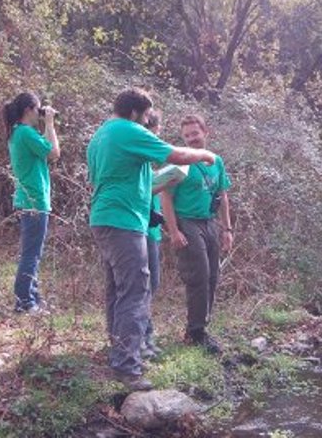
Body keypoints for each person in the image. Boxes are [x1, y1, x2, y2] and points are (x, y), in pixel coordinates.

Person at [87, 88, 217, 391]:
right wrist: (206, 155)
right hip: (123, 221)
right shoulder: (127, 129)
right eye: (146, 116)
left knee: (118, 290)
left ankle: (119, 351)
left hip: (104, 217)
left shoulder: (101, 134)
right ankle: (127, 367)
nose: (147, 122)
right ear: (135, 112)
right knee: (135, 290)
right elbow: (177, 154)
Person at [161, 114, 233, 355]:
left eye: (195, 133)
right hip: (187, 221)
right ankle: (195, 331)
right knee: (198, 274)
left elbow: (222, 195)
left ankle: (202, 327)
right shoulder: (180, 161)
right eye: (187, 135)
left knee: (213, 275)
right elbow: (165, 196)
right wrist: (174, 231)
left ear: (205, 132)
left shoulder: (216, 161)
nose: (191, 138)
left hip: (209, 222)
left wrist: (227, 229)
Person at [3, 92, 60, 314]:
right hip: (34, 200)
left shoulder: (19, 133)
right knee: (31, 254)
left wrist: (46, 124)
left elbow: (45, 150)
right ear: (29, 110)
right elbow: (54, 153)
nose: (41, 113)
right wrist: (50, 123)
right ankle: (25, 302)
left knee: (32, 252)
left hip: (28, 199)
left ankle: (32, 299)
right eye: (38, 110)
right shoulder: (25, 132)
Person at [143, 109, 164, 358]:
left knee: (151, 284)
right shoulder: (139, 158)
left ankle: (146, 336)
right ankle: (143, 339)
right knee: (146, 285)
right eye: (157, 132)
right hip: (142, 229)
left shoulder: (147, 163)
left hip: (152, 229)